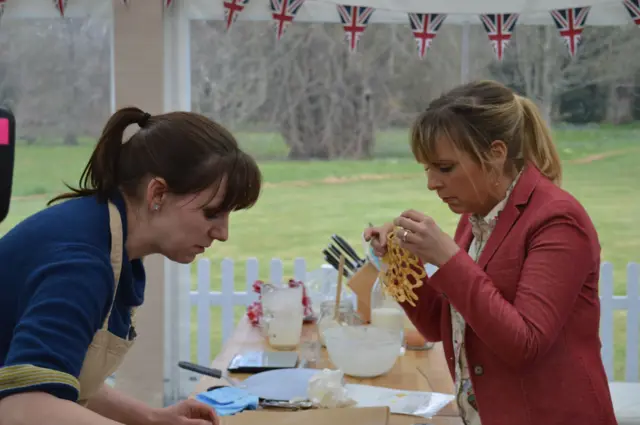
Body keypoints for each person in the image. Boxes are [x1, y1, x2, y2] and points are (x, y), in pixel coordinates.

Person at [365, 80, 617, 425]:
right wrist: (398, 259)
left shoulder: (557, 220)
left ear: (496, 153)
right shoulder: (475, 218)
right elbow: (439, 326)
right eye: (428, 169)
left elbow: (524, 344)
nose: (432, 183)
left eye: (445, 167)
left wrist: (449, 259)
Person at [0, 107, 262, 425]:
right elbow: (23, 406)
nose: (223, 233)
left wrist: (151, 418)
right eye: (212, 213)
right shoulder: (82, 264)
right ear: (158, 193)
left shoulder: (109, 242)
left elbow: (57, 373)